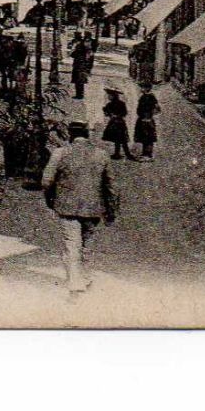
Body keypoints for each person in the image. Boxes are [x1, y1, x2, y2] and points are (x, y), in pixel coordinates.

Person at [41, 121, 119, 293]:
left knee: (71, 243)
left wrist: (51, 199)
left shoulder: (59, 153)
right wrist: (111, 211)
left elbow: (46, 181)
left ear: (69, 134)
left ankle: (75, 281)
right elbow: (112, 187)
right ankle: (85, 276)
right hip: (92, 208)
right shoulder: (101, 155)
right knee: (87, 243)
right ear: (87, 134)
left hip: (66, 206)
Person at [101, 87, 133, 160]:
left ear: (114, 96)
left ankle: (127, 154)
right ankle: (117, 153)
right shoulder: (109, 104)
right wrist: (106, 112)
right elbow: (107, 114)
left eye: (110, 95)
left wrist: (116, 115)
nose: (109, 97)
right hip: (113, 123)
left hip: (119, 123)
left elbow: (124, 113)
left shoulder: (121, 103)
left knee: (123, 140)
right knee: (116, 139)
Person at [134, 84, 161, 161]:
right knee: (144, 137)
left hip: (147, 119)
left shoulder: (151, 97)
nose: (141, 88)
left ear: (147, 88)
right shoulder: (143, 96)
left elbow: (158, 108)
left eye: (143, 87)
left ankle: (149, 154)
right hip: (142, 119)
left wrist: (150, 116)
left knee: (149, 137)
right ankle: (144, 153)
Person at [70, 31, 95, 100]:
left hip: (80, 65)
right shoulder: (81, 44)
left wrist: (88, 67)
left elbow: (73, 54)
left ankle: (79, 95)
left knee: (79, 81)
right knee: (78, 81)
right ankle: (79, 94)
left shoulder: (81, 45)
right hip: (80, 64)